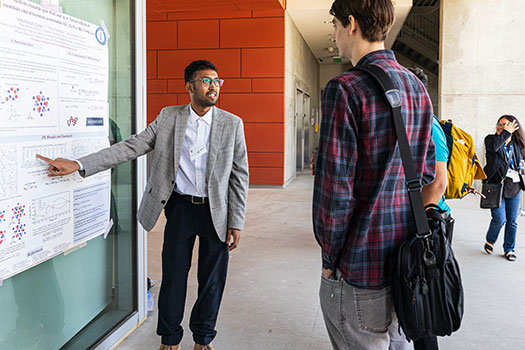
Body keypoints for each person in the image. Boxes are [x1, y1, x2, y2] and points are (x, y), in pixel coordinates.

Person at [36, 60, 249, 350]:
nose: (213, 86)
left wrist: (236, 220)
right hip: (181, 208)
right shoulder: (169, 117)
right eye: (205, 80)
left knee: (212, 280)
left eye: (217, 81)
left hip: (217, 211)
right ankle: (170, 339)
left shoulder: (232, 123)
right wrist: (79, 164)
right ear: (189, 86)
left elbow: (239, 175)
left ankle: (203, 338)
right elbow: (131, 146)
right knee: (174, 276)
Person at [312, 1, 435, 350]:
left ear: (351, 24)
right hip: (408, 261)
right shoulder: (416, 87)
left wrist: (328, 260)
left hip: (360, 264)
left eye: (334, 26)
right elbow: (425, 170)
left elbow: (335, 194)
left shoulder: (345, 88)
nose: (334, 36)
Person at [407, 67, 447, 350]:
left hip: (427, 224)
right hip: (420, 221)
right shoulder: (414, 121)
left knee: (422, 299)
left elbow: (438, 183)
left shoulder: (429, 125)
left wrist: (416, 224)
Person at [483, 115, 525, 261]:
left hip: (514, 186)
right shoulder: (491, 140)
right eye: (499, 124)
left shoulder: (518, 145)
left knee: (512, 220)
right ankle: (490, 240)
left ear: (514, 127)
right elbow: (494, 149)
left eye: (505, 125)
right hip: (495, 186)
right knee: (499, 219)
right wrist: (505, 133)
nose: (501, 127)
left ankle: (509, 249)